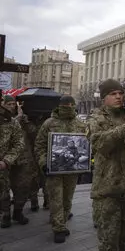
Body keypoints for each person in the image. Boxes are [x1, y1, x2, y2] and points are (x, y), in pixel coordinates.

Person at [88, 79, 125, 251]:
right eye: (113, 94)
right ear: (104, 97)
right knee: (109, 239)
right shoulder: (96, 118)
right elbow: (100, 143)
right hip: (106, 190)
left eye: (120, 93)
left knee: (123, 238)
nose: (118, 97)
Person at [35, 95, 86, 243]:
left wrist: (83, 166)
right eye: (65, 105)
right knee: (56, 198)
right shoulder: (49, 123)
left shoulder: (80, 124)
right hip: (54, 168)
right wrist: (44, 163)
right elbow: (39, 145)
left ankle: (60, 220)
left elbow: (86, 146)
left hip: (72, 169)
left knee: (67, 198)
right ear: (60, 106)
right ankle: (59, 228)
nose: (68, 107)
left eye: (71, 105)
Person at [1, 95, 30, 226]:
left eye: (14, 104)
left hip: (18, 160)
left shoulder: (14, 122)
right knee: (3, 190)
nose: (12, 106)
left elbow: (19, 143)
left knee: (22, 187)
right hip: (2, 164)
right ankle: (5, 215)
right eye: (9, 104)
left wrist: (8, 159)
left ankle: (18, 212)